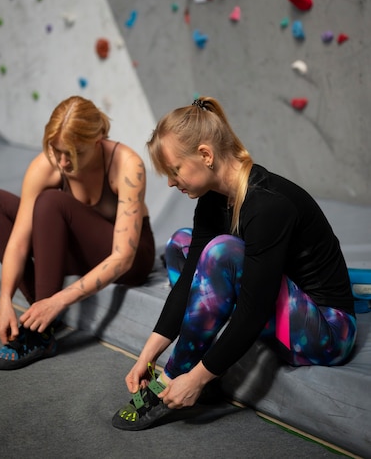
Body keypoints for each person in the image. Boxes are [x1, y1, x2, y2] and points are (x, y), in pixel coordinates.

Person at [112, 96, 356, 430]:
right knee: (181, 245)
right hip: (277, 303)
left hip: (327, 332)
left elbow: (254, 310)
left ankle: (175, 378)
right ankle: (193, 366)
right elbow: (186, 285)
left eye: (174, 171)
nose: (170, 183)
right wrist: (147, 354)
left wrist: (191, 376)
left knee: (222, 252)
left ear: (205, 155)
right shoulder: (212, 201)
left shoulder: (268, 204)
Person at [0, 96, 155, 370]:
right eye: (57, 150)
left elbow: (123, 258)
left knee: (50, 202)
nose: (63, 162)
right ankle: (41, 312)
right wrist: (4, 300)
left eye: (74, 153)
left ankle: (40, 333)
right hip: (78, 251)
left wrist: (58, 300)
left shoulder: (127, 164)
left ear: (98, 139)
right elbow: (20, 241)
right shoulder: (47, 164)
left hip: (129, 259)